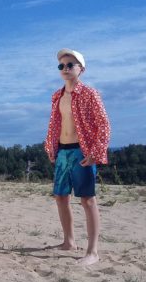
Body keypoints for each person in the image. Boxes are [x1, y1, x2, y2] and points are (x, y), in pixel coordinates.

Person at [44, 48, 111, 266]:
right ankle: (69, 242)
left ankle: (92, 251)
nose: (65, 69)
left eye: (70, 65)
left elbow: (104, 125)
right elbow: (54, 124)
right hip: (62, 151)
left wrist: (95, 153)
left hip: (82, 152)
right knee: (61, 197)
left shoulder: (90, 93)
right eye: (61, 66)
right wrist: (51, 148)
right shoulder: (57, 95)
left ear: (81, 69)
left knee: (87, 199)